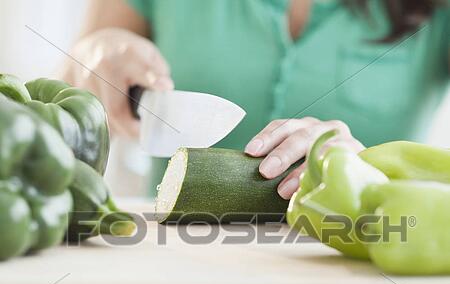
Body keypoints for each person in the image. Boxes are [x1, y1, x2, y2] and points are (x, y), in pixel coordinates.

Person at [60, 0, 449, 199]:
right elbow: (67, 92)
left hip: (362, 265)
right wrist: (94, 55)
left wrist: (365, 168)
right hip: (174, 260)